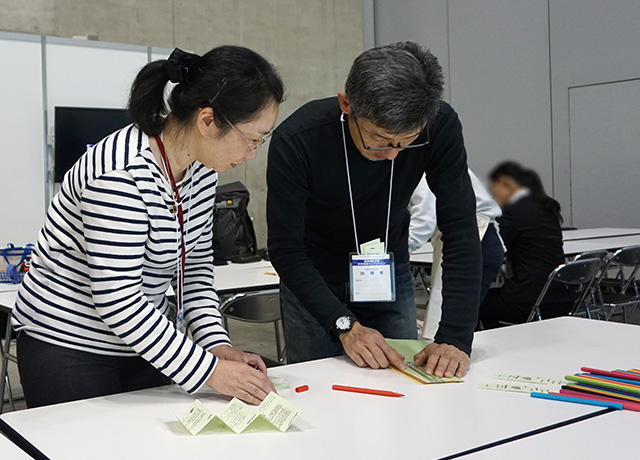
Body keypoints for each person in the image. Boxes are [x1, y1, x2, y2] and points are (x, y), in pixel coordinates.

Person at [12, 46, 284, 408]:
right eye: (252, 139)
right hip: (69, 343)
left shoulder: (200, 169)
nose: (252, 153)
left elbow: (195, 271)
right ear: (207, 121)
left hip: (143, 339)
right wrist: (210, 372)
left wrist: (217, 346)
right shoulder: (120, 173)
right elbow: (118, 298)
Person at [267, 42, 482, 379]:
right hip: (312, 274)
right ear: (346, 104)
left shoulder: (440, 125)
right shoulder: (298, 140)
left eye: (407, 141)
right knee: (320, 385)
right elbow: (285, 248)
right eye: (380, 139)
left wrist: (455, 337)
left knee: (403, 378)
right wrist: (345, 326)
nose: (393, 154)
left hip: (385, 269)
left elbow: (461, 229)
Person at [408, 170, 504, 341]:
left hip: (474, 237)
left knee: (450, 319)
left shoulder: (420, 169)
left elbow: (424, 221)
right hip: (479, 236)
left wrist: (394, 255)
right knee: (453, 317)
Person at [479, 161, 568, 328]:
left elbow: (495, 248)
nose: (492, 193)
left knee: (476, 303)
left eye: (494, 187)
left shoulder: (513, 211)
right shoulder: (546, 206)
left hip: (527, 298)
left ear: (505, 183)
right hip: (559, 293)